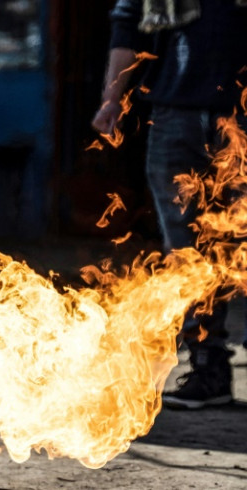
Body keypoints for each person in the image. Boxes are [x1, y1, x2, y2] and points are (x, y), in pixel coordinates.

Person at [92, 0, 247, 409]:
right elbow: (128, 26)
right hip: (175, 113)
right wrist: (112, 99)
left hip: (242, 113)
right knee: (187, 250)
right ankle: (208, 366)